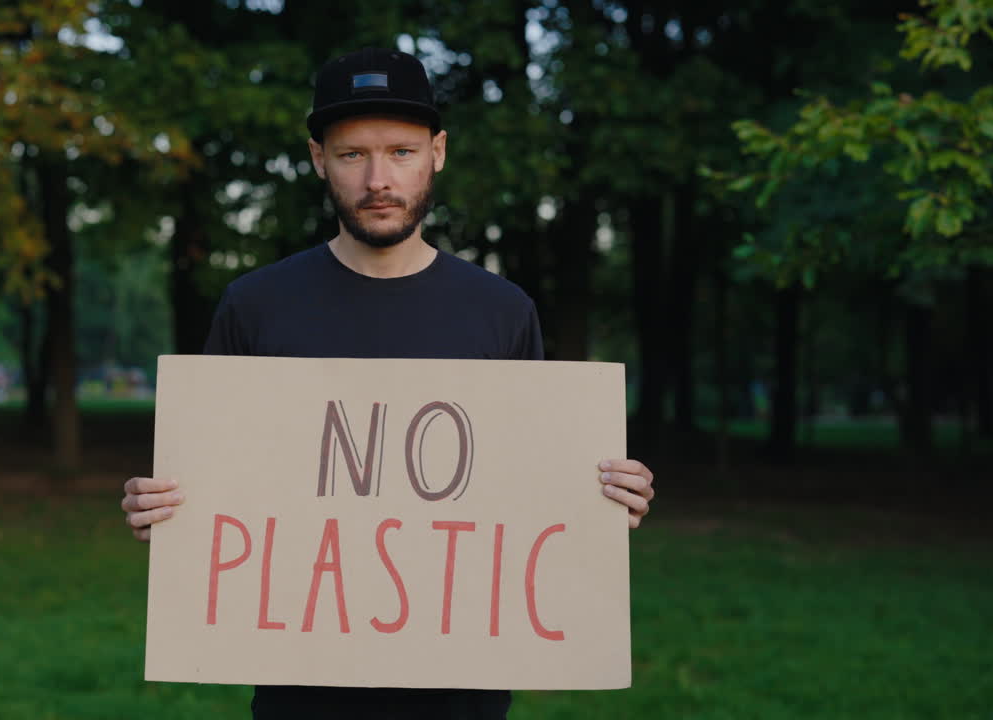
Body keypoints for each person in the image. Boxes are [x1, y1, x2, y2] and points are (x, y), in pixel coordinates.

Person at [121, 47, 656, 720]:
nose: (378, 178)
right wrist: (165, 510)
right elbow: (216, 489)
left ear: (437, 151)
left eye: (401, 152)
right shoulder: (255, 306)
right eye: (352, 156)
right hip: (301, 691)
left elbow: (528, 491)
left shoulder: (502, 312)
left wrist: (603, 503)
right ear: (318, 159)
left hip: (462, 689)